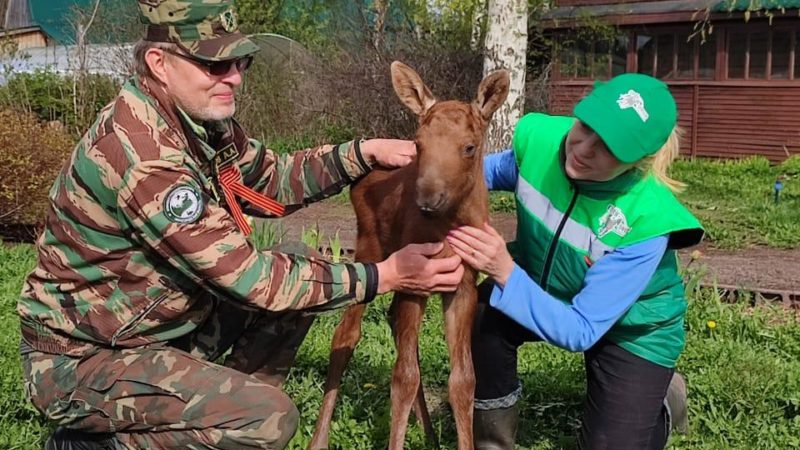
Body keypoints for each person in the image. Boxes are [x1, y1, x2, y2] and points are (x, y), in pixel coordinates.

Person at [18, 1, 465, 449]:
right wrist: (383, 275)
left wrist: (363, 153)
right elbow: (250, 278)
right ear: (159, 64)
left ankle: (217, 413)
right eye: (214, 64)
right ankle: (91, 444)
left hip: (156, 326)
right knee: (267, 420)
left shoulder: (196, 122)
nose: (233, 77)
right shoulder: (145, 157)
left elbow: (271, 179)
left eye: (238, 61)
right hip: (85, 361)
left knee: (305, 272)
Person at [446, 73, 704, 449]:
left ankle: (662, 400)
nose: (583, 149)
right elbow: (471, 175)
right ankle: (491, 442)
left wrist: (503, 268)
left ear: (639, 162)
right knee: (483, 312)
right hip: (546, 286)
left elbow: (580, 329)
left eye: (610, 148)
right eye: (585, 127)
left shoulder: (647, 220)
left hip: (631, 331)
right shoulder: (542, 145)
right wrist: (415, 162)